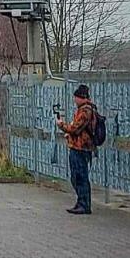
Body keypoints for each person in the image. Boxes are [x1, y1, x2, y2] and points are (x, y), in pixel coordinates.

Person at [56, 83, 99, 215]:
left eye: (76, 97)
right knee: (77, 176)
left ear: (81, 97)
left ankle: (84, 204)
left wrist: (61, 125)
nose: (74, 100)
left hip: (81, 148)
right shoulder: (84, 109)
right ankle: (81, 202)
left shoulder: (86, 111)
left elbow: (76, 128)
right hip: (78, 146)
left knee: (80, 177)